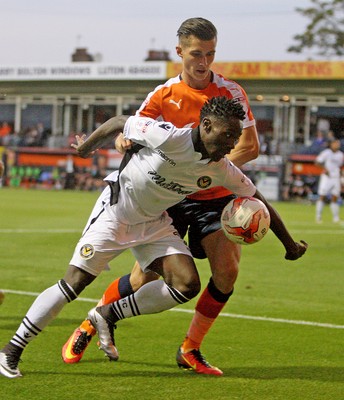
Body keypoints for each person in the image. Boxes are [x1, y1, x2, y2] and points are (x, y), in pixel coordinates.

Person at [0, 97, 308, 379]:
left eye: (236, 136)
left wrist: (290, 244)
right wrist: (85, 148)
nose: (232, 144)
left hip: (154, 223)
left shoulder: (221, 169)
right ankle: (11, 351)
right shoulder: (168, 136)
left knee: (187, 284)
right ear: (206, 125)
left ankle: (107, 314)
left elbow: (258, 199)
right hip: (117, 212)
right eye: (228, 135)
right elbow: (120, 121)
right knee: (74, 284)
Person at [62, 17, 260, 375]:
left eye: (211, 54)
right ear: (180, 52)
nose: (204, 63)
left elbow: (250, 146)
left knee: (227, 272)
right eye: (196, 54)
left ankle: (190, 348)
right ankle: (93, 321)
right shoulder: (163, 94)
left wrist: (207, 170)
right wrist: (125, 141)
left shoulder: (231, 93)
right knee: (143, 278)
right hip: (168, 194)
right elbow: (131, 132)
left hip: (213, 196)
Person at [315, 138, 344, 223]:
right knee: (322, 196)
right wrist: (325, 169)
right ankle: (318, 216)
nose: (337, 145)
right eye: (335, 143)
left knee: (335, 197)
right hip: (327, 177)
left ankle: (335, 217)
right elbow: (317, 162)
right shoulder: (326, 153)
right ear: (331, 144)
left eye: (338, 144)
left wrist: (341, 175)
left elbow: (340, 166)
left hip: (336, 178)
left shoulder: (341, 155)